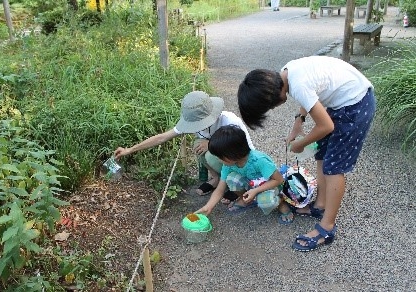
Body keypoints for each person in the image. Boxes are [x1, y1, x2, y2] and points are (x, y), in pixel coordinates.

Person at [237, 55, 376, 251]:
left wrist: (300, 143)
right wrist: (299, 121)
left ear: (271, 98)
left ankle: (327, 227)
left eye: (269, 107)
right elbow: (312, 94)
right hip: (342, 103)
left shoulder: (298, 85)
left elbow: (325, 126)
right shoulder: (285, 73)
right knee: (322, 154)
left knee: (334, 167)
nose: (273, 108)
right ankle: (320, 205)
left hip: (356, 104)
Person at [114, 90, 255, 201]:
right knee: (198, 145)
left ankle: (236, 186)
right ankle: (216, 179)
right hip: (221, 156)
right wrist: (129, 150)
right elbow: (161, 138)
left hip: (237, 160)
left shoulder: (229, 121)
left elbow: (247, 152)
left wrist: (211, 144)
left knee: (212, 155)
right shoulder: (194, 120)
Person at [195, 125, 284, 215]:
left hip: (270, 186)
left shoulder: (259, 160)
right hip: (252, 185)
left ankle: (282, 201)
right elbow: (220, 189)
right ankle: (247, 199)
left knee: (266, 202)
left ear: (232, 155)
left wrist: (256, 191)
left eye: (220, 157)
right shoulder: (228, 164)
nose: (218, 160)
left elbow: (279, 180)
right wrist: (208, 206)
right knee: (232, 179)